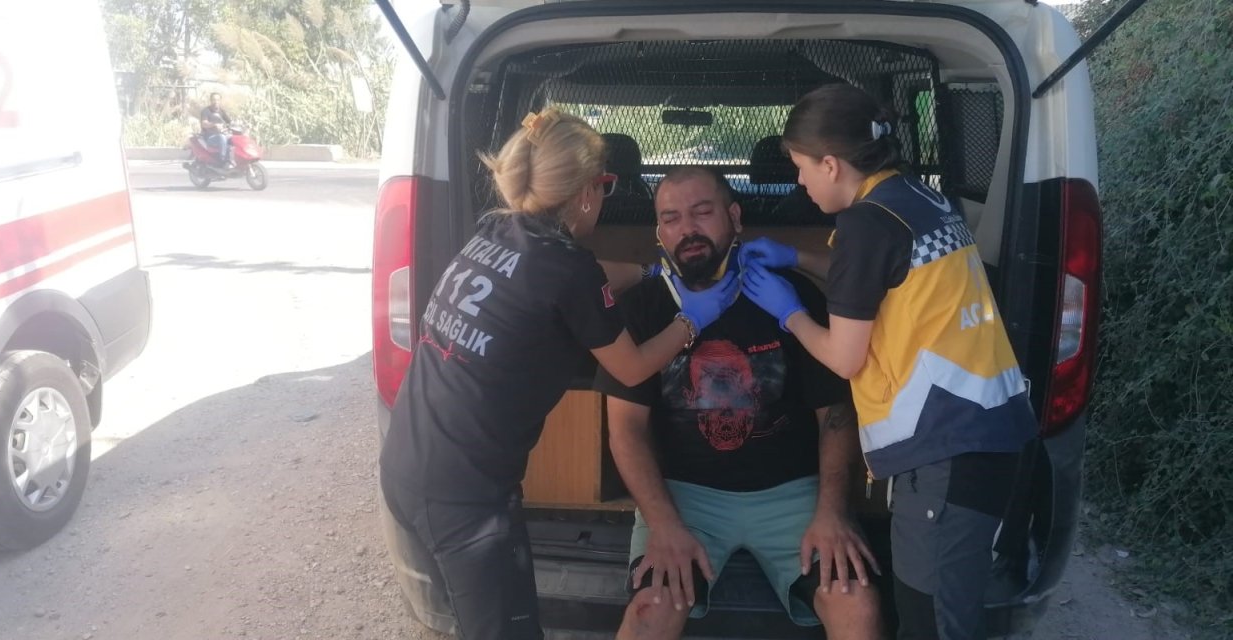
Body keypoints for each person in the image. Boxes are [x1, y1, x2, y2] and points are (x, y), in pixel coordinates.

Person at [378, 109, 739, 640]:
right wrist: (693, 320)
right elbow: (632, 366)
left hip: (409, 465)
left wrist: (651, 273)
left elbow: (575, 281)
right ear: (588, 192)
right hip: (466, 499)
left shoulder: (498, 230)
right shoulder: (568, 270)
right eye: (606, 186)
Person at [738, 84, 1038, 640]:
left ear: (830, 164)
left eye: (801, 168)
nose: (800, 182)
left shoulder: (865, 224)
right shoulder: (915, 198)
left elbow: (844, 357)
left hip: (947, 446)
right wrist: (797, 258)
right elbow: (882, 279)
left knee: (932, 623)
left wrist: (789, 314)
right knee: (943, 613)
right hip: (985, 434)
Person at [595, 166, 881, 640]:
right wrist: (664, 526)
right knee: (651, 607)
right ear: (659, 233)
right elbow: (625, 430)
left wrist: (833, 511)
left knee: (856, 600)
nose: (687, 229)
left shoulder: (788, 293)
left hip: (793, 493)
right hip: (684, 495)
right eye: (671, 218)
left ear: (734, 217)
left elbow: (834, 414)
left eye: (702, 212)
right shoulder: (643, 306)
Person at [199, 92, 232, 167]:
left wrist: (240, 125)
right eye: (214, 100)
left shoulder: (222, 111)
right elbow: (204, 124)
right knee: (222, 137)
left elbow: (230, 122)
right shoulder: (206, 111)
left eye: (218, 100)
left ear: (220, 101)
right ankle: (222, 161)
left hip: (221, 135)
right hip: (209, 138)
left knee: (233, 138)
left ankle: (236, 160)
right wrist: (214, 125)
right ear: (210, 100)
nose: (216, 102)